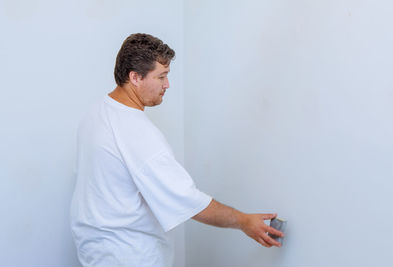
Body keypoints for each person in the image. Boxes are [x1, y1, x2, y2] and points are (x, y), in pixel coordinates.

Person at [70, 33, 284, 267]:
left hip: (95, 252)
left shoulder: (97, 112)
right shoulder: (138, 133)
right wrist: (244, 221)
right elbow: (188, 200)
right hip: (130, 256)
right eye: (161, 77)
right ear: (135, 77)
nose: (167, 85)